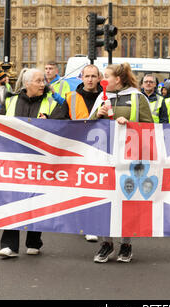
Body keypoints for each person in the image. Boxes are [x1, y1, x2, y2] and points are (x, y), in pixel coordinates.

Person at [0, 68, 68, 258]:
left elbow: (64, 123)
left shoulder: (52, 102)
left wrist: (49, 121)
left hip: (40, 160)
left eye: (43, 81)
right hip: (16, 160)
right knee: (12, 200)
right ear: (27, 83)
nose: (42, 84)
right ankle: (9, 245)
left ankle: (34, 240)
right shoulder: (10, 100)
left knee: (37, 198)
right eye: (38, 81)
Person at [90, 62, 153, 263]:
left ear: (118, 79)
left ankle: (126, 244)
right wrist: (97, 116)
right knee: (105, 199)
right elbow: (87, 126)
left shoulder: (138, 97)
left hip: (130, 157)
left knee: (127, 200)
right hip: (105, 156)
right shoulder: (102, 97)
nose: (103, 80)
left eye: (106, 76)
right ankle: (106, 244)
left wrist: (129, 125)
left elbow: (149, 127)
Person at [64, 64, 102, 242]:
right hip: (78, 150)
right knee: (81, 188)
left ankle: (91, 225)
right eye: (87, 76)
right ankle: (83, 222)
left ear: (99, 78)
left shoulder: (106, 98)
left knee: (96, 189)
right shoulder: (71, 97)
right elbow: (60, 119)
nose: (90, 79)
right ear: (81, 77)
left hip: (101, 150)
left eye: (93, 76)